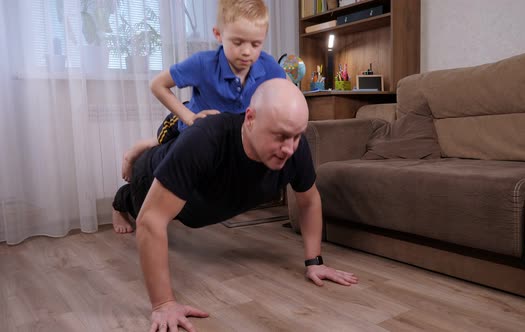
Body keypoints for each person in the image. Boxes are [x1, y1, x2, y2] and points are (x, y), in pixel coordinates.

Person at [112, 78, 359, 332]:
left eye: (296, 136)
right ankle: (123, 195)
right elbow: (151, 220)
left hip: (205, 203)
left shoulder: (295, 148)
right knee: (140, 205)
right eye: (281, 136)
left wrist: (314, 261)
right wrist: (163, 304)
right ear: (250, 119)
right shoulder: (207, 139)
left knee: (193, 212)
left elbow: (309, 201)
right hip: (151, 173)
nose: (289, 148)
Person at [113, 0, 287, 233]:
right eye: (237, 42)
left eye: (256, 44)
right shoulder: (204, 63)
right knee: (166, 142)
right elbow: (158, 85)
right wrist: (188, 117)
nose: (247, 51)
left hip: (224, 133)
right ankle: (138, 151)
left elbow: (282, 99)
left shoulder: (269, 68)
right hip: (189, 122)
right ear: (218, 34)